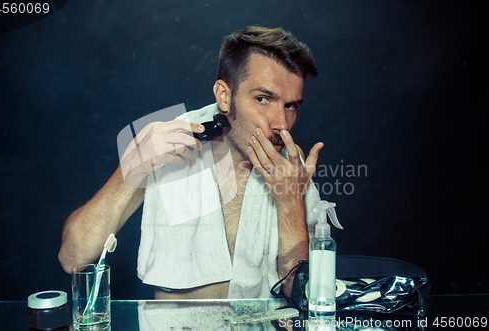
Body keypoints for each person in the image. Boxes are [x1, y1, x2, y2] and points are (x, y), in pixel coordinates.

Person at [59, 26, 323, 299]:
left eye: (291, 105)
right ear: (224, 95)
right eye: (263, 99)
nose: (281, 124)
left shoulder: (293, 170)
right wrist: (134, 164)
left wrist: (290, 204)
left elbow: (303, 296)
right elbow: (73, 257)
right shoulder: (168, 144)